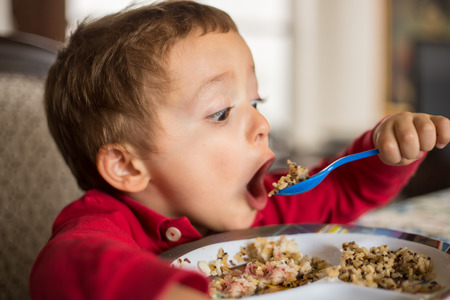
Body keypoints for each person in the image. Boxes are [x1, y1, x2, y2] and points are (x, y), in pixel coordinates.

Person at [30, 1, 450, 299]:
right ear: (126, 165)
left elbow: (338, 192)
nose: (262, 125)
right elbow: (65, 265)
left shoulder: (260, 207)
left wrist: (388, 146)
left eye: (257, 103)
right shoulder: (103, 227)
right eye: (221, 113)